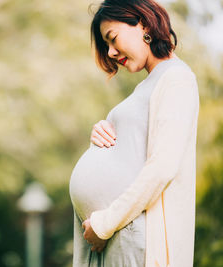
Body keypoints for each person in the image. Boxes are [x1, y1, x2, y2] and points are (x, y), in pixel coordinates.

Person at [69, 0, 199, 266]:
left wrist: (104, 224)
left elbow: (162, 167)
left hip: (134, 238)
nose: (112, 52)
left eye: (113, 39)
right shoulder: (149, 85)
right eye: (107, 46)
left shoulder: (176, 78)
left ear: (143, 23)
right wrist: (103, 131)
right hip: (118, 237)